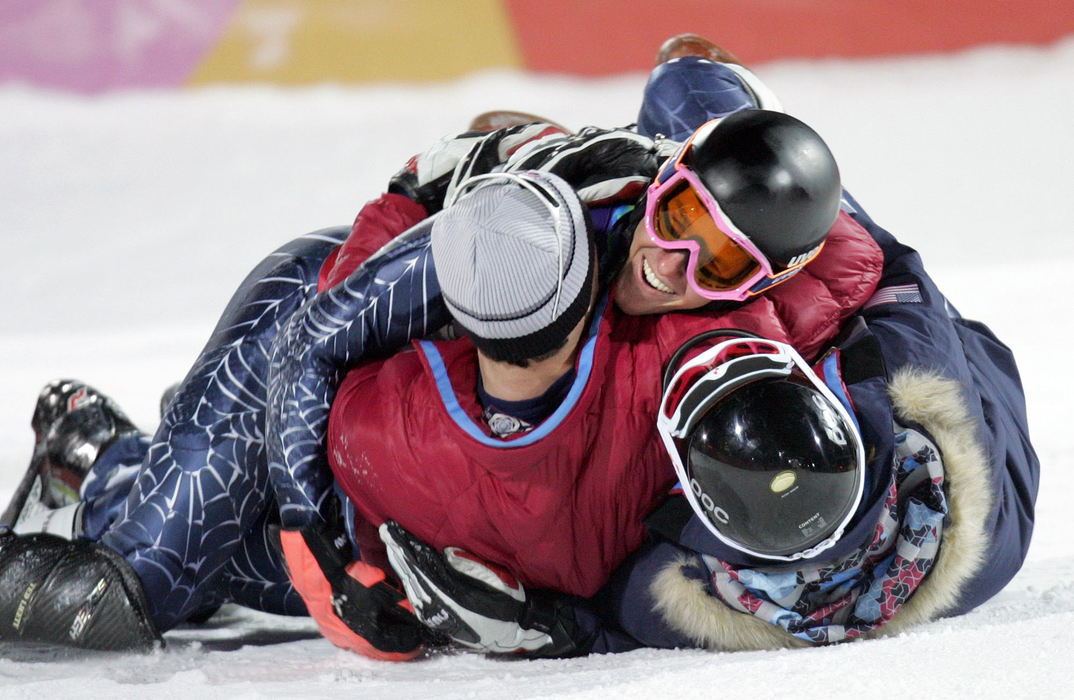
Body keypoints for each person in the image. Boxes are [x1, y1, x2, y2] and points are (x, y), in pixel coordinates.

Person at [0, 40, 884, 656]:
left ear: (768, 279)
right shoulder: (552, 221)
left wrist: (562, 627)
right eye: (683, 214)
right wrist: (319, 552)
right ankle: (136, 484)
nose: (672, 260)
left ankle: (100, 451)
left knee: (222, 566)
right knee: (142, 581)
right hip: (333, 350)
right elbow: (312, 336)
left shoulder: (741, 349)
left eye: (722, 260)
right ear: (671, 175)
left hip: (404, 524)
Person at [379, 198, 1040, 655]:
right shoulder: (910, 373)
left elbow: (587, 612)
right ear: (840, 414)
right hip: (973, 411)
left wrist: (542, 623)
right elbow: (882, 262)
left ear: (695, 508)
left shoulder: (660, 596)